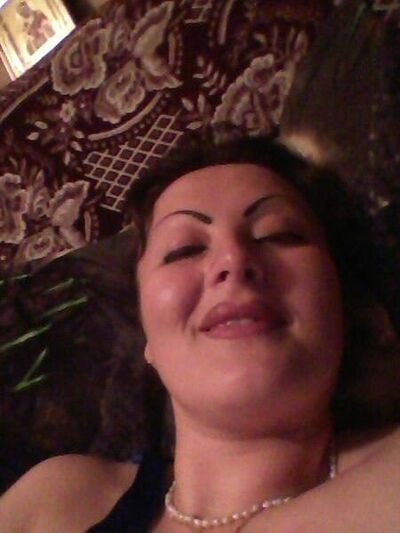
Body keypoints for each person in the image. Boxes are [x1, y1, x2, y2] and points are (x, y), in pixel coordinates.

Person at [0, 126, 399, 532]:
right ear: (147, 334)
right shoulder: (58, 502)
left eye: (278, 234)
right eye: (184, 250)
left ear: (344, 301)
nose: (233, 259)